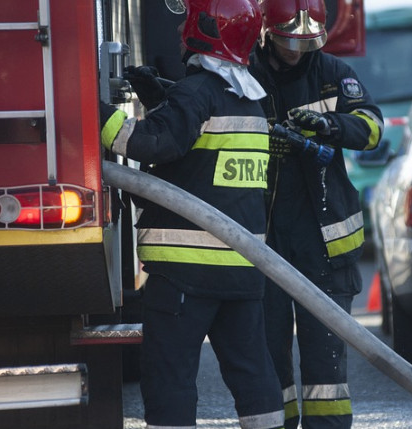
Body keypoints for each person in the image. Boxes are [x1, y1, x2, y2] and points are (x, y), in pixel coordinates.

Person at [98, 0, 284, 426]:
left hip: (186, 273)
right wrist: (163, 98)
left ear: (200, 27)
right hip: (243, 271)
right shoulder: (250, 102)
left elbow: (148, 143)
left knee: (171, 377)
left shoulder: (196, 94)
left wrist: (94, 112)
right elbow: (204, 159)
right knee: (253, 372)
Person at [248, 0, 383, 427]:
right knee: (270, 362)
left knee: (327, 367)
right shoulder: (246, 75)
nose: (297, 50)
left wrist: (331, 127)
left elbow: (373, 127)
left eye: (305, 41)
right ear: (269, 31)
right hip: (264, 242)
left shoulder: (332, 73)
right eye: (289, 40)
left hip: (324, 245)